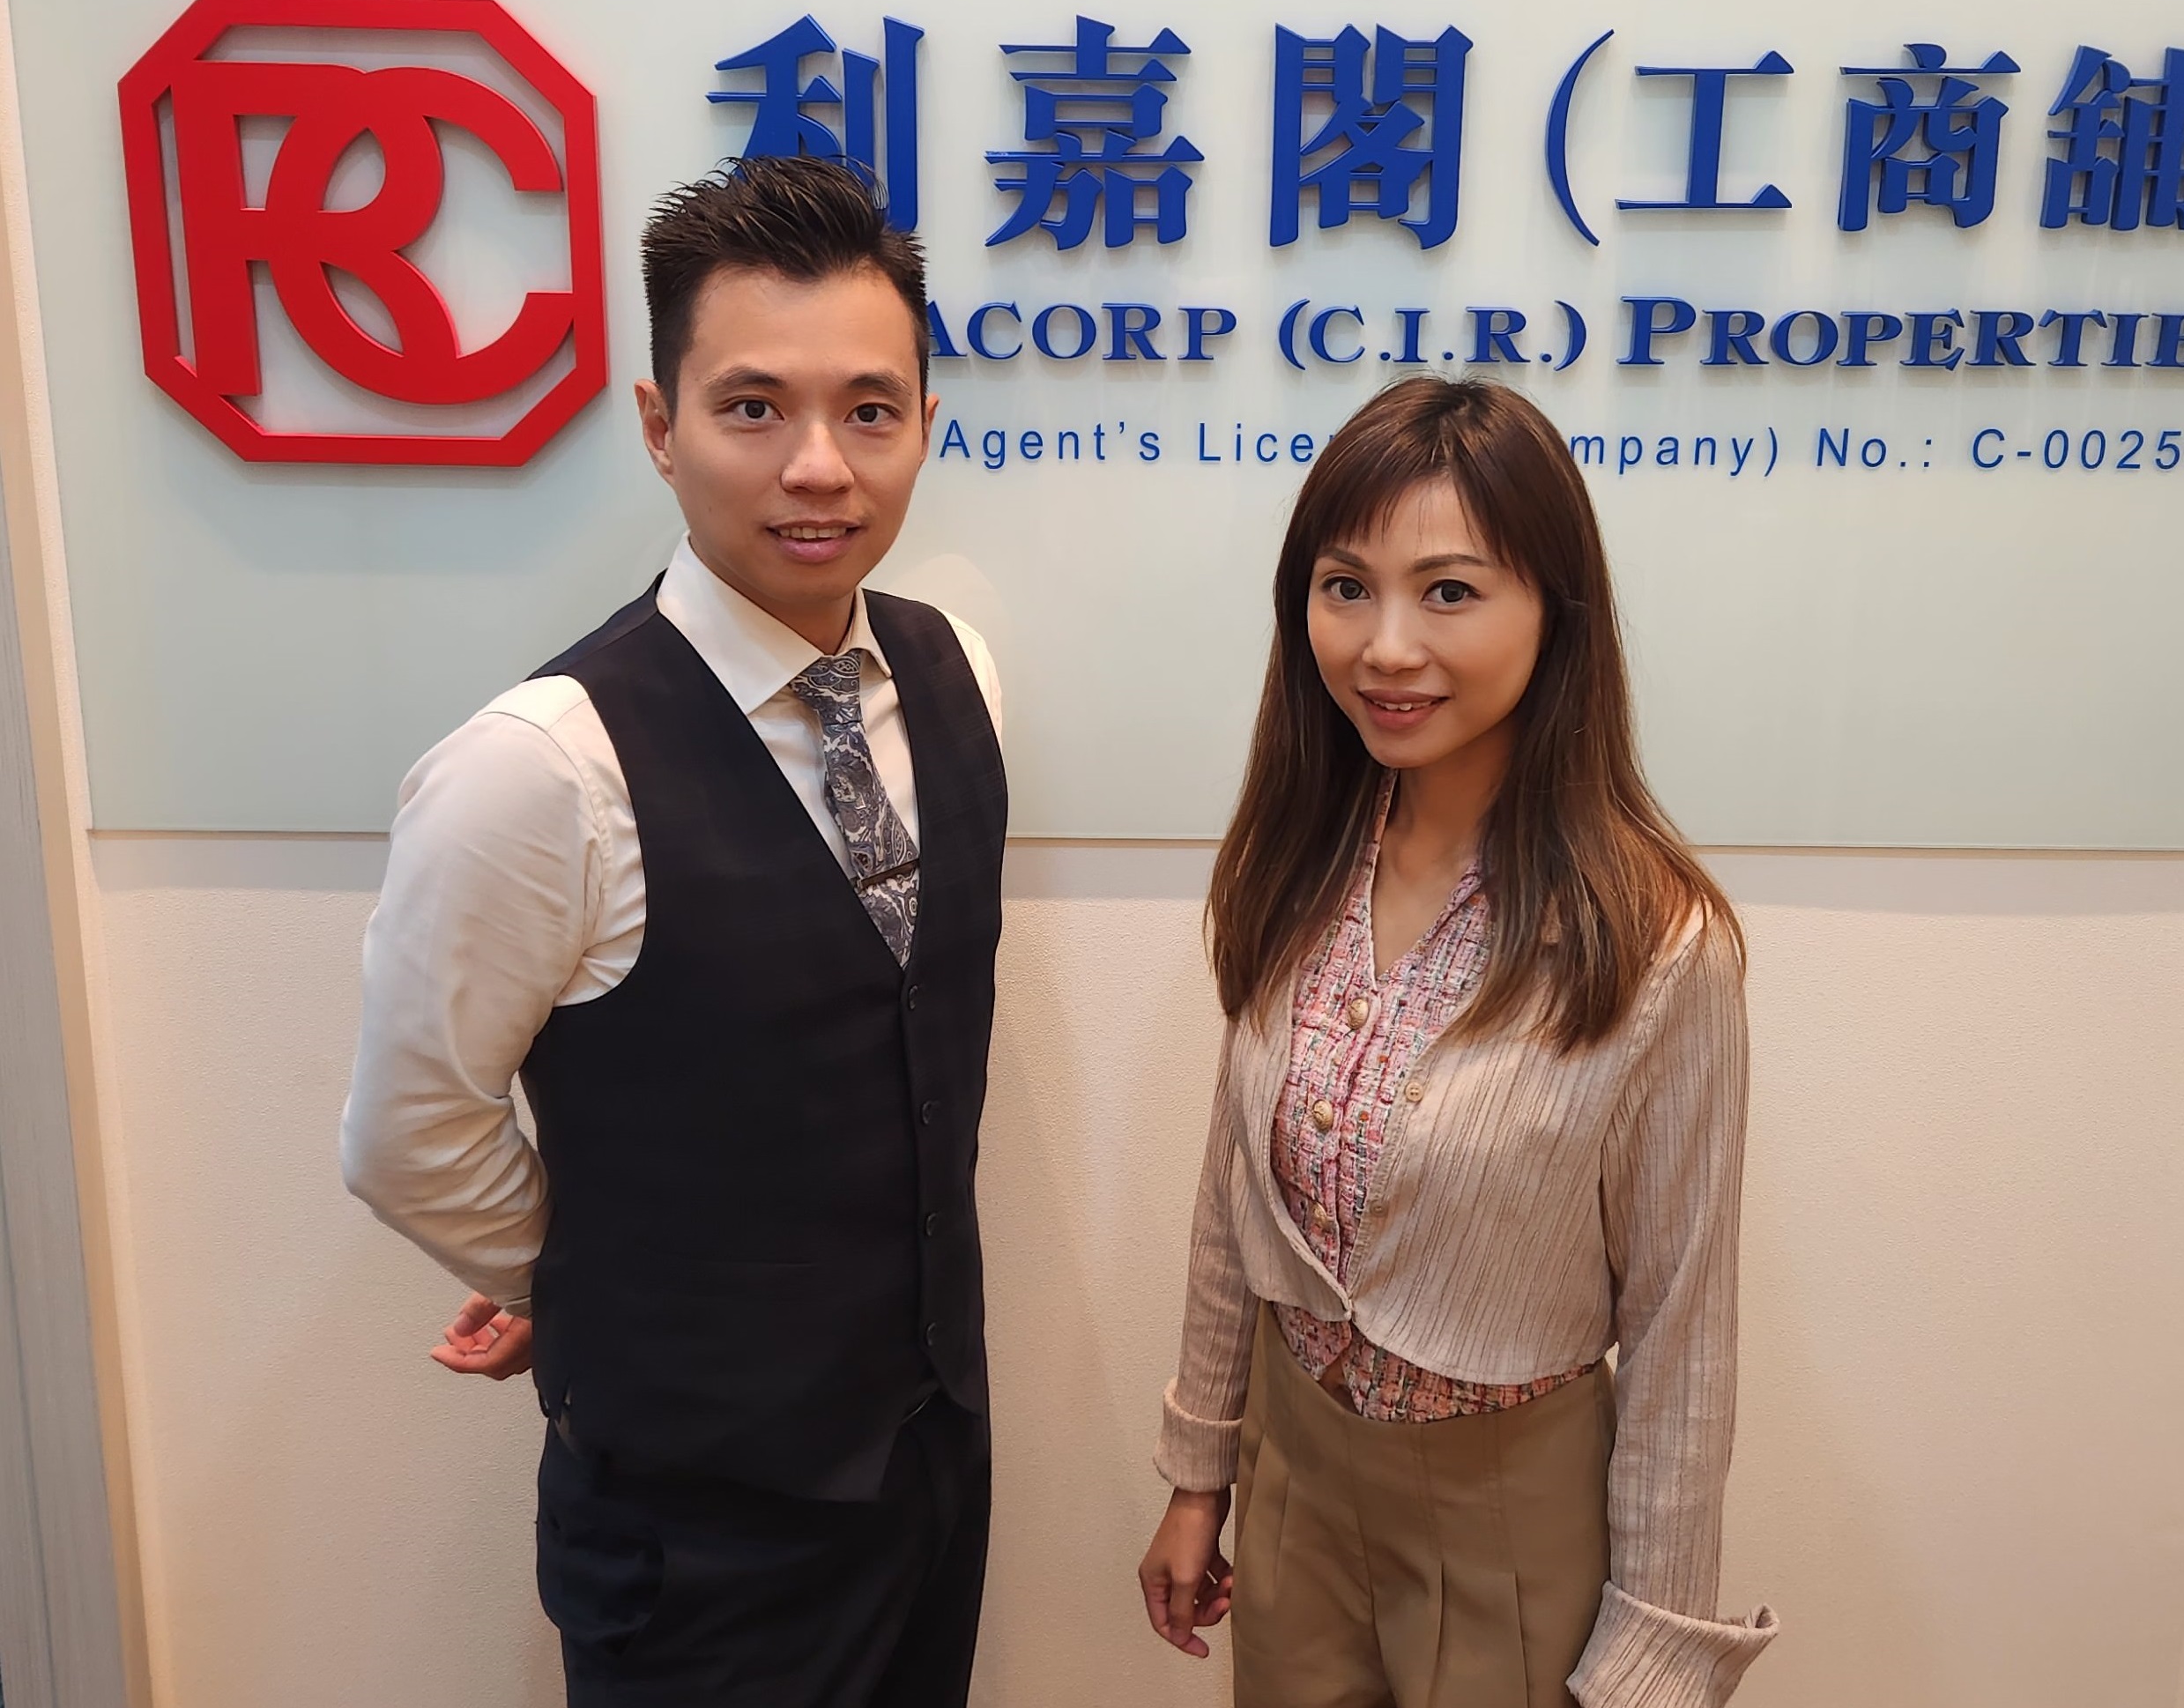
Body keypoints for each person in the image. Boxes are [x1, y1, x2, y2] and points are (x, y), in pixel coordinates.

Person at [341, 155, 1005, 1708]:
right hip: (697, 1536)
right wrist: (587, 1277)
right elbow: (408, 1131)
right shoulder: (538, 767)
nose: (819, 467)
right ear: (659, 423)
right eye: (752, 407)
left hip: (931, 1460)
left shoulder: (955, 673)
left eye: (869, 410)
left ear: (923, 421)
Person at [1136, 377, 1778, 1706]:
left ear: (1555, 610)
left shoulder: (1655, 941)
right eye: (1345, 587)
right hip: (1295, 1475)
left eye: (1448, 592)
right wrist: (1202, 1471)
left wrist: (1654, 1652)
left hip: (1509, 1510)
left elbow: (1681, 1328)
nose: (1385, 646)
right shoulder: (1299, 860)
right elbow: (1233, 1197)